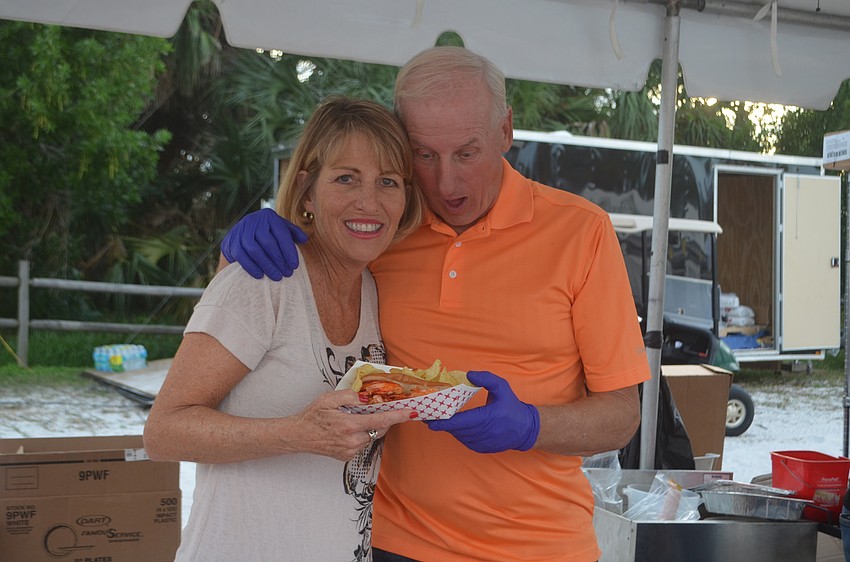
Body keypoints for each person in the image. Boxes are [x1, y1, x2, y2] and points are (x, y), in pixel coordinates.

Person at [220, 47, 651, 562]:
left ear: (506, 131)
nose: (446, 183)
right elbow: (268, 308)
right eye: (424, 154)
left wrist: (532, 424)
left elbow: (622, 415)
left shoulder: (582, 233)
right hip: (391, 543)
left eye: (467, 153)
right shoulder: (382, 228)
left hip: (542, 547)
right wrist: (250, 242)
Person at [143, 97, 425, 562]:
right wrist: (298, 433)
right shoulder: (262, 279)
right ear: (307, 191)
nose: (369, 202)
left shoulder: (375, 291)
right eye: (345, 178)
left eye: (388, 182)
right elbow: (162, 432)